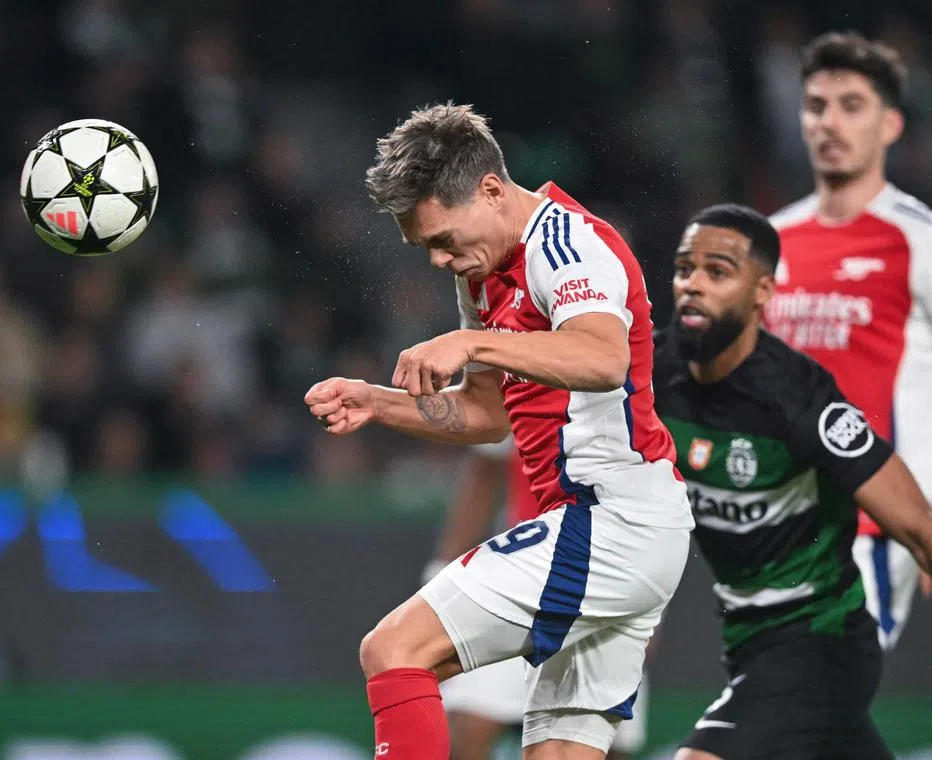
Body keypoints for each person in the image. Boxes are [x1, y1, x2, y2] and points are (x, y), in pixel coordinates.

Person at [304, 103, 692, 760]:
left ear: (490, 190)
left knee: (394, 651)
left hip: (611, 522)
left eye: (444, 240)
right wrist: (380, 403)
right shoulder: (486, 272)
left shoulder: (568, 245)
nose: (438, 260)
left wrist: (470, 340)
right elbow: (489, 415)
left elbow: (603, 359)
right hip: (617, 532)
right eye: (424, 247)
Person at [654, 203, 932, 760]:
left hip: (820, 641)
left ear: (762, 292)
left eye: (718, 271)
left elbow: (918, 525)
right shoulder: (653, 372)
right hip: (747, 642)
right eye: (685, 268)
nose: (693, 285)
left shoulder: (801, 398)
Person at [765, 31, 932, 651]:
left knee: (799, 703)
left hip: (870, 526)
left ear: (890, 125)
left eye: (851, 105)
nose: (829, 122)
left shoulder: (916, 240)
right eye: (816, 105)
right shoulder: (770, 242)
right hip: (770, 526)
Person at [425, 438, 651, 760]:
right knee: (467, 724)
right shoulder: (519, 389)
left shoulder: (633, 404)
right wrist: (439, 575)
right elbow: (483, 472)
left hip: (606, 584)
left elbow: (656, 509)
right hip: (519, 579)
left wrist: (650, 610)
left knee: (602, 743)